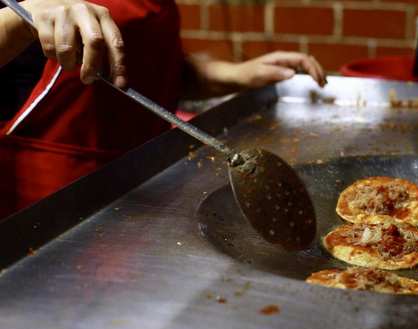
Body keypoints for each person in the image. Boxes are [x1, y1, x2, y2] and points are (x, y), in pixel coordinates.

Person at [0, 0, 326, 218]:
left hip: (149, 188)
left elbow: (139, 71)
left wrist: (233, 75)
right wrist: (19, 18)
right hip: (51, 207)